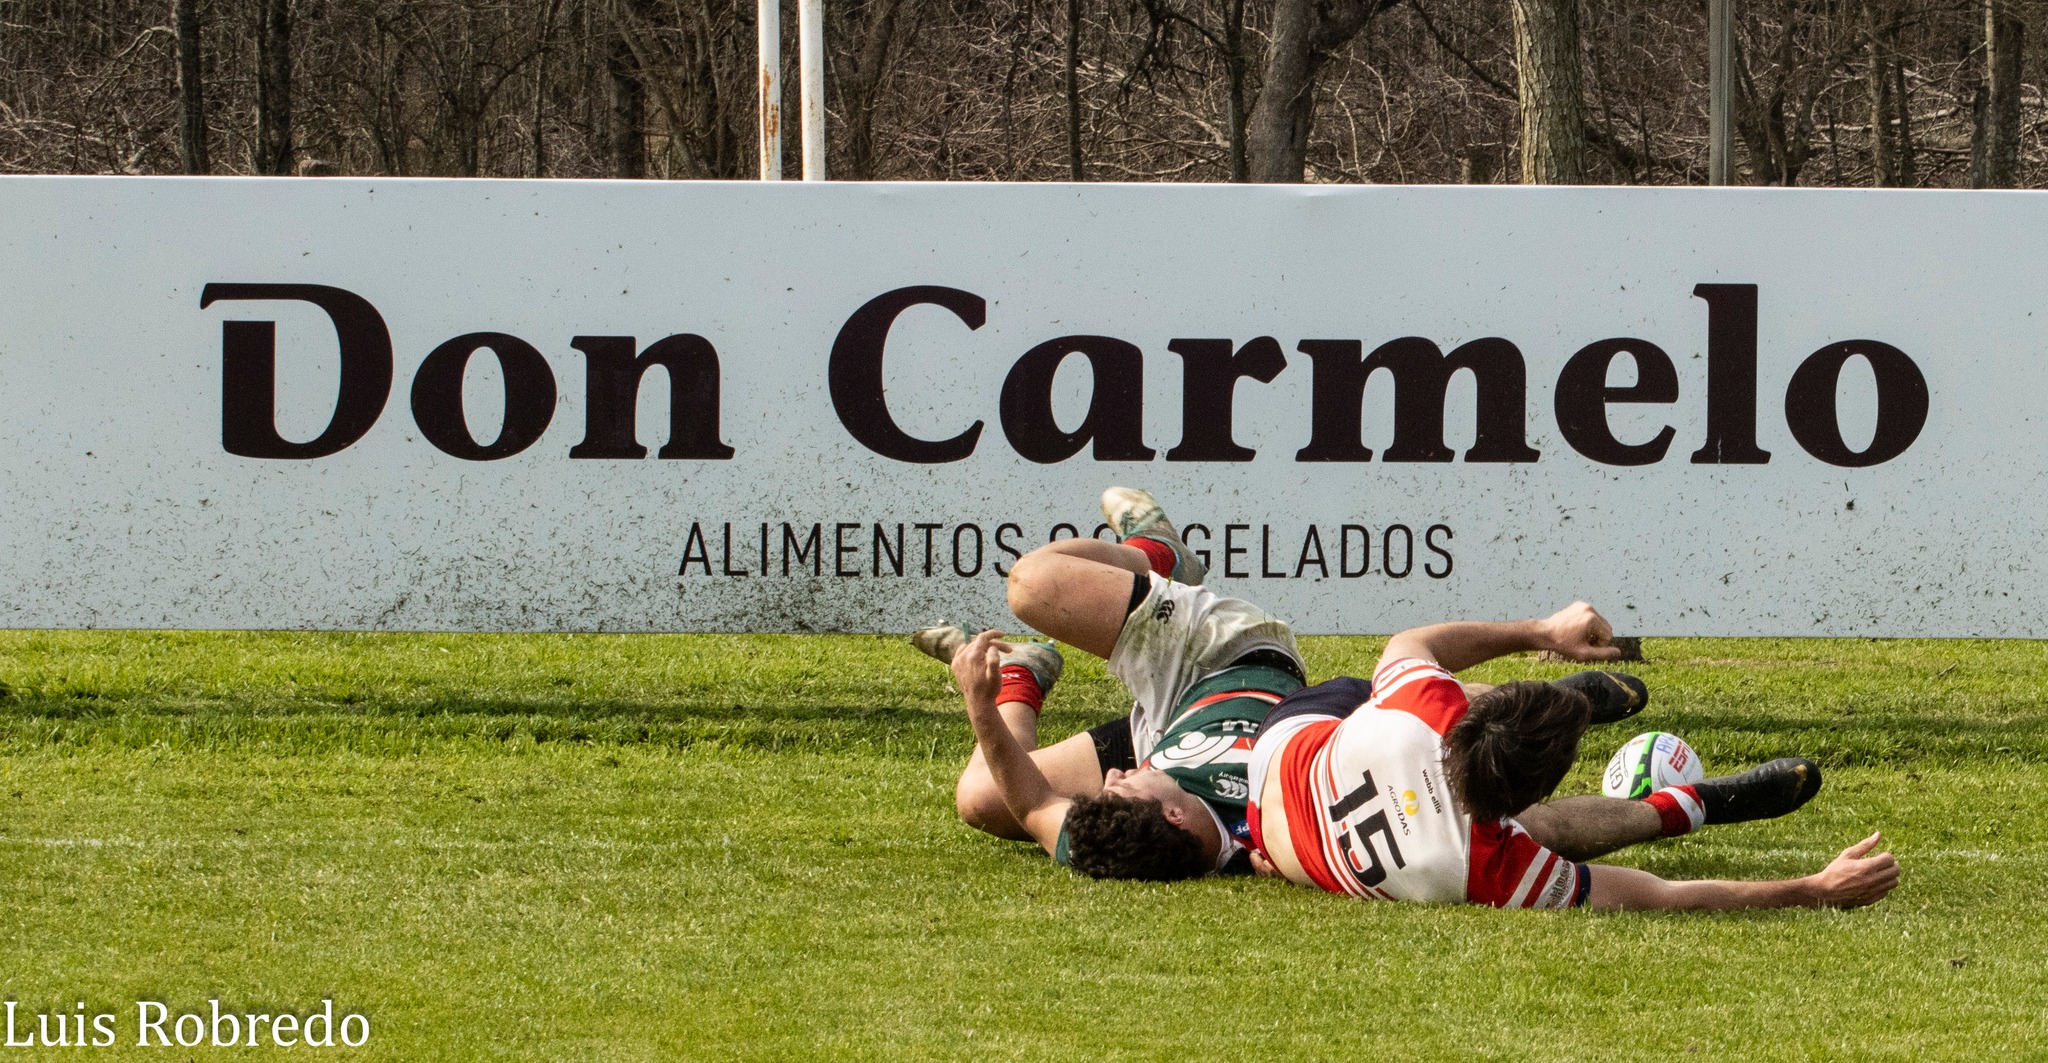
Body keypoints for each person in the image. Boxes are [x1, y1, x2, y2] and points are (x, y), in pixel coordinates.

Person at [938, 488, 1680, 881]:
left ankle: (1150, 560)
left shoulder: (1114, 836)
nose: (1115, 781)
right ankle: (1034, 664)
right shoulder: (1277, 835)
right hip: (1253, 671)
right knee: (985, 790)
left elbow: (1033, 803)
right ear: (1175, 817)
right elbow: (1409, 718)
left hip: (1202, 668)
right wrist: (1543, 675)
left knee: (1030, 591)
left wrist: (979, 699)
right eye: (1123, 788)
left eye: (1116, 784)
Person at [1242, 613, 1900, 910]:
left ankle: (1557, 702)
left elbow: (1413, 643)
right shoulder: (1495, 864)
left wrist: (1543, 631)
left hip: (1291, 745)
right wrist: (1811, 889)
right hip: (1313, 782)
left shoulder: (1423, 721)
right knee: (1548, 829)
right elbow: (1658, 894)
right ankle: (1699, 802)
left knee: (1436, 691)